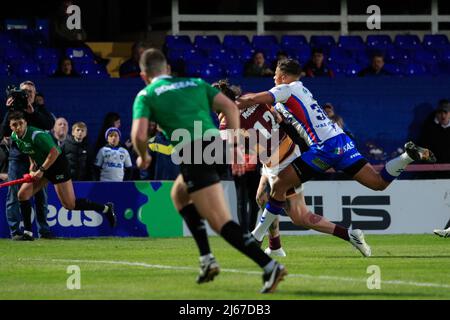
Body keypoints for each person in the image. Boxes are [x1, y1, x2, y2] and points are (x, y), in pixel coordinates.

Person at [236, 59, 436, 252]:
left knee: (279, 185)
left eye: (276, 74)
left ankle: (257, 236)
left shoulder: (285, 89)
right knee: (378, 183)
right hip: (341, 140)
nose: (273, 78)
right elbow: (280, 113)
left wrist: (229, 104)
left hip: (325, 148)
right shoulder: (301, 90)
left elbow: (253, 99)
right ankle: (407, 156)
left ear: (284, 76)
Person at [131, 48, 287, 294]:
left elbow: (139, 135)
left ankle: (269, 266)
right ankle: (207, 259)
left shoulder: (146, 94)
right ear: (168, 70)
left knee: (220, 222)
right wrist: (235, 144)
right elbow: (231, 108)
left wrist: (143, 157)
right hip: (214, 145)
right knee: (179, 195)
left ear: (143, 75)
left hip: (194, 152)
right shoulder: (194, 82)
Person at [217, 81, 372, 258]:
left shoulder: (226, 122)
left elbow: (230, 151)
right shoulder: (250, 98)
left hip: (283, 163)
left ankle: (350, 235)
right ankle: (275, 246)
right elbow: (275, 115)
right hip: (281, 153)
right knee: (261, 197)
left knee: (301, 217)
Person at [8, 111, 117, 241]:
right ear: (10, 126)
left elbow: (54, 152)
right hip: (43, 166)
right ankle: (28, 233)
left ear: (25, 123)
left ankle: (106, 208)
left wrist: (41, 169)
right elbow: (29, 150)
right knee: (22, 195)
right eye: (15, 125)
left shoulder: (36, 135)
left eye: (21, 123)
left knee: (69, 205)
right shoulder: (15, 136)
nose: (18, 127)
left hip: (57, 165)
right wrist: (33, 165)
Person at [0, 81, 55, 240]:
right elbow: (3, 131)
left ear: (35, 93)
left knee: (41, 196)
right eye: (24, 92)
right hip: (18, 158)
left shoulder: (38, 108)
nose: (28, 94)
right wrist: (9, 110)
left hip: (38, 160)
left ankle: (44, 231)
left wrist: (33, 112)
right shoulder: (13, 110)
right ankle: (15, 232)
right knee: (14, 194)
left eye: (31, 92)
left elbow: (49, 124)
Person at [214, 80, 261, 233]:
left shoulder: (225, 116)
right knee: (253, 199)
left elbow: (224, 139)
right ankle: (252, 232)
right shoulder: (243, 107)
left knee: (242, 198)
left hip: (238, 159)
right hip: (254, 156)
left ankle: (245, 233)